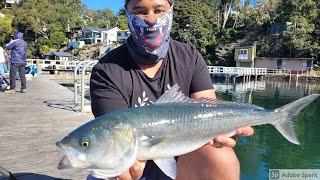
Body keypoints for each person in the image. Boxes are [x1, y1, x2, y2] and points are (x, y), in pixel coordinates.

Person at [90, 0, 254, 179]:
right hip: (135, 162)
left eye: (159, 10)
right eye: (140, 11)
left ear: (171, 10)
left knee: (222, 157)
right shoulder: (106, 70)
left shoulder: (189, 56)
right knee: (116, 169)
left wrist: (223, 129)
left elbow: (209, 109)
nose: (151, 20)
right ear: (127, 13)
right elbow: (115, 133)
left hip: (185, 158)